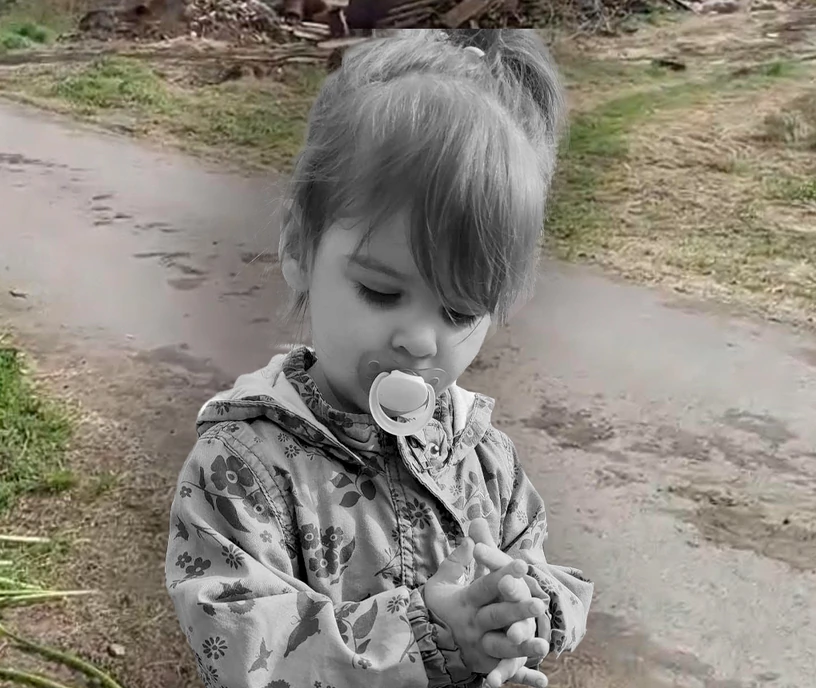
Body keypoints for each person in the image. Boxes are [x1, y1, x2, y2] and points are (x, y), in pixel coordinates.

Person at [165, 29, 593, 688]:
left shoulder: (484, 459)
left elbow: (532, 560)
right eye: (381, 290)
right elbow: (247, 648)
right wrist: (429, 637)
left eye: (458, 312)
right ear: (300, 248)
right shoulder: (242, 469)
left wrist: (520, 613)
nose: (421, 340)